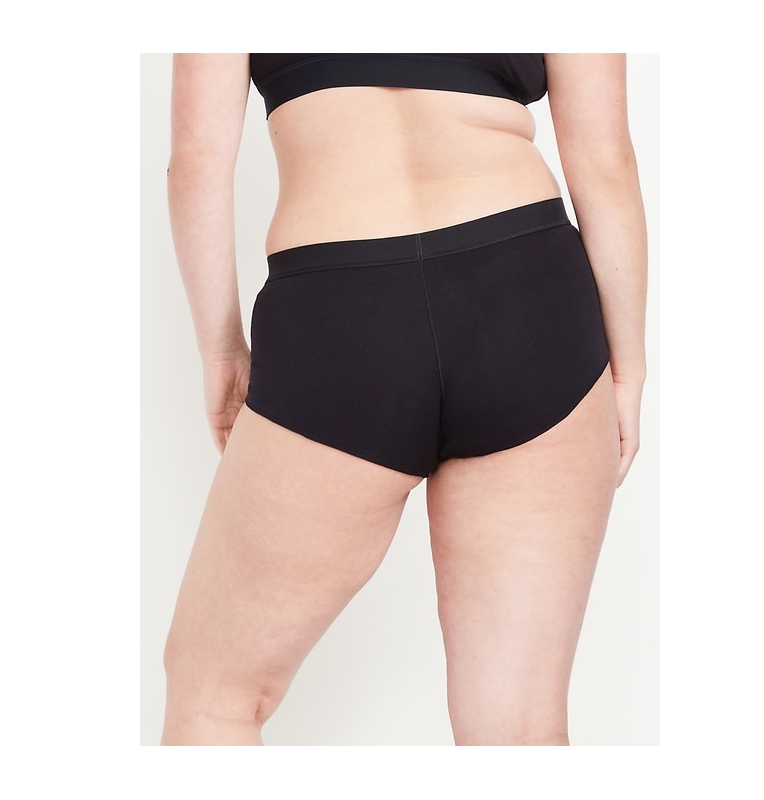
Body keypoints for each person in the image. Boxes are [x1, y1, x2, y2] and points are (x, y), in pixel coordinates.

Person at [162, 52, 648, 747]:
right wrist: (627, 368)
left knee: (215, 699)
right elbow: (605, 160)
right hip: (526, 299)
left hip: (339, 311)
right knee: (516, 726)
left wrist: (221, 351)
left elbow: (197, 159)